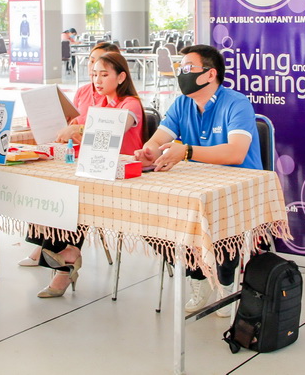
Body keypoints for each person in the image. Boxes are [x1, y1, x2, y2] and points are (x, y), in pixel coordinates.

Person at [134, 44, 261, 317]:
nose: (182, 74)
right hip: (195, 185)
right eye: (180, 68)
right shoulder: (182, 104)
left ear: (210, 74)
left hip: (237, 186)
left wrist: (187, 151)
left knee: (223, 218)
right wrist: (149, 151)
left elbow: (236, 153)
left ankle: (226, 283)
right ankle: (199, 277)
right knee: (154, 218)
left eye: (188, 68)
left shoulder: (236, 103)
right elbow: (158, 140)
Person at [36, 52, 145, 298]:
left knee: (77, 194)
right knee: (65, 191)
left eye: (104, 75)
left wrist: (79, 128)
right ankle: (68, 256)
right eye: (94, 74)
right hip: (100, 172)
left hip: (128, 178)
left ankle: (67, 258)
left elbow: (116, 126)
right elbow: (78, 125)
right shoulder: (100, 104)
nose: (97, 80)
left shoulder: (131, 104)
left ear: (121, 77)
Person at [17, 41, 120, 268]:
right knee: (46, 181)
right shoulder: (83, 91)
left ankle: (59, 256)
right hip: (73, 154)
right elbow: (70, 120)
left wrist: (77, 129)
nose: (94, 68)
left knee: (71, 191)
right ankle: (43, 242)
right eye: (91, 62)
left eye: (101, 65)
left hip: (96, 160)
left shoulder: (115, 99)